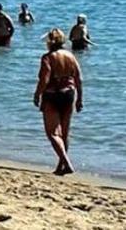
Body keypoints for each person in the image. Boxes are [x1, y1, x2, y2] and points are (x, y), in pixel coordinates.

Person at [33, 28, 82, 175]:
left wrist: (37, 94)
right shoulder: (71, 56)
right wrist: (80, 98)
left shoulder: (48, 57)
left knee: (53, 134)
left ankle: (66, 163)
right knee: (64, 134)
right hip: (69, 94)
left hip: (52, 95)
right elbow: (79, 78)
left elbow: (44, 79)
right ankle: (61, 167)